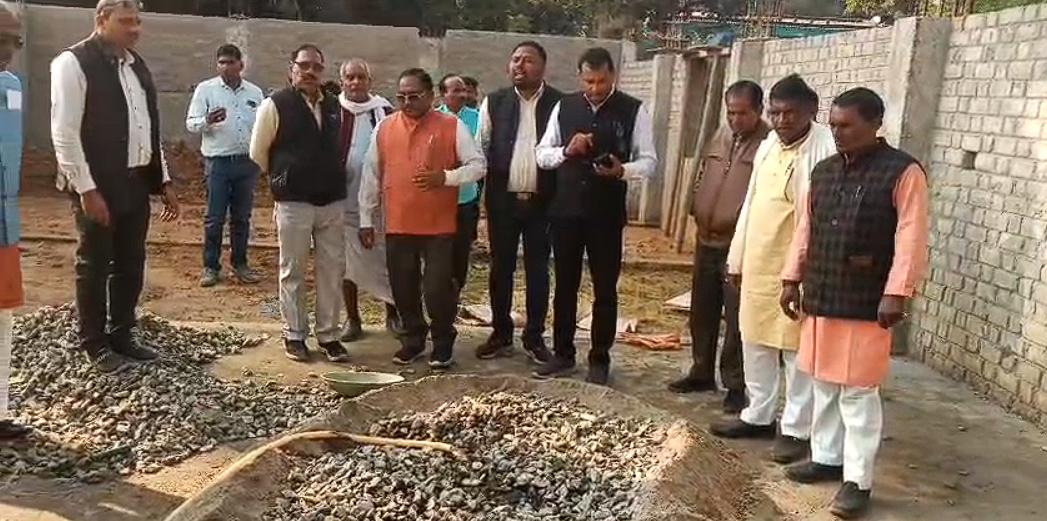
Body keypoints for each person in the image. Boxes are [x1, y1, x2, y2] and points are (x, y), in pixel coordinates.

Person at [779, 88, 928, 519]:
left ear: (875, 123)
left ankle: (857, 480)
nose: (838, 132)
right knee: (823, 383)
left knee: (859, 393)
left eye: (847, 125)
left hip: (867, 299)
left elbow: (911, 235)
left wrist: (897, 292)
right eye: (834, 125)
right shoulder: (824, 171)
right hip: (822, 292)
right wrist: (790, 279)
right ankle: (826, 457)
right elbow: (805, 230)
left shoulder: (902, 171)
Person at [710, 74, 836, 464]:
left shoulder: (825, 149)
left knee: (796, 351)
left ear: (812, 110)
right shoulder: (768, 145)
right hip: (759, 260)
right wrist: (737, 257)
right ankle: (758, 414)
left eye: (790, 113)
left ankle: (796, 429)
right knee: (754, 340)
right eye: (775, 113)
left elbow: (819, 217)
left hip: (797, 266)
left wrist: (802, 272)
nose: (781, 120)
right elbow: (750, 203)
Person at [51, 0, 181, 374]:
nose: (134, 29)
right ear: (101, 19)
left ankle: (123, 333)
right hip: (97, 183)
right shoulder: (73, 63)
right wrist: (86, 189)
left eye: (138, 21)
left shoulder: (136, 66)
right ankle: (94, 342)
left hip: (135, 183)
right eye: (126, 21)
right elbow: (64, 133)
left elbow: (147, 128)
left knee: (130, 262)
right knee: (93, 264)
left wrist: (163, 179)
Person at [534, 47, 657, 385]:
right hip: (566, 211)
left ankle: (599, 359)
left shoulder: (633, 109)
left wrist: (623, 171)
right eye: (589, 81)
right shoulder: (564, 106)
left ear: (613, 75)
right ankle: (562, 354)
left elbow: (649, 161)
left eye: (602, 81)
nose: (595, 88)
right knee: (565, 286)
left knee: (605, 289)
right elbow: (542, 154)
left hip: (606, 214)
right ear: (579, 76)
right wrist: (566, 151)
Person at [359, 68, 485, 369]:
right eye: (401, 97)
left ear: (430, 96)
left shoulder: (451, 126)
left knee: (437, 288)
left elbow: (478, 166)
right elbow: (371, 174)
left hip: (439, 225)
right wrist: (366, 218)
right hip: (398, 222)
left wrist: (446, 177)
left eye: (414, 96)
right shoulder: (385, 127)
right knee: (403, 286)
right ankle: (413, 339)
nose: (407, 102)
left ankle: (442, 342)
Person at [669, 80, 770, 414]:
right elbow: (703, 174)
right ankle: (701, 370)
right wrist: (696, 206)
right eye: (730, 113)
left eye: (742, 113)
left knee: (736, 317)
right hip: (706, 237)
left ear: (759, 110)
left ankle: (736, 385)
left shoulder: (768, 144)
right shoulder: (719, 136)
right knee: (702, 309)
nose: (735, 120)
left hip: (738, 244)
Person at [249, 43, 349, 363]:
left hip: (332, 201)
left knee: (331, 271)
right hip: (294, 202)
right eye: (303, 65)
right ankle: (294, 334)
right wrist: (284, 177)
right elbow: (258, 151)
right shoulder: (276, 104)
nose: (309, 72)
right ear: (291, 69)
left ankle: (329, 335)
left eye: (316, 67)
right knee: (292, 269)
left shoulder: (333, 105)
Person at [474, 40, 561, 364]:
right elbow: (481, 148)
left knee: (538, 270)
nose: (519, 66)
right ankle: (500, 333)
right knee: (501, 268)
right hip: (503, 202)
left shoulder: (560, 104)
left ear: (543, 66)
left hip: (543, 203)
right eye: (515, 60)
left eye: (527, 60)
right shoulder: (494, 102)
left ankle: (534, 338)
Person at [185, 43, 264, 288]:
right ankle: (210, 267)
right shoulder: (206, 90)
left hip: (246, 163)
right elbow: (191, 124)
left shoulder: (255, 93)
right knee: (215, 218)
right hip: (218, 164)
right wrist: (207, 120)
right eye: (221, 62)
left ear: (241, 64)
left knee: (241, 218)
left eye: (231, 62)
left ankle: (240, 264)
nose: (226, 67)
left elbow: (264, 125)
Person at [335, 58, 402, 342]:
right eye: (350, 77)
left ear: (369, 81)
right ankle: (353, 319)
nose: (355, 82)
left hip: (380, 202)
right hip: (343, 201)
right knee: (345, 263)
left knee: (387, 259)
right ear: (342, 81)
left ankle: (392, 313)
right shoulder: (333, 111)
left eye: (361, 77)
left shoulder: (384, 111)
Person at [0, 2, 27, 439]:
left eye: (14, 41)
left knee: (3, 318)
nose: (7, 50)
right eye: (0, 40)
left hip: (5, 223)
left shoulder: (12, 86)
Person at [436, 74, 482, 293]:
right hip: (439, 198)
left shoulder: (478, 118)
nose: (462, 94)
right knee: (438, 252)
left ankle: (455, 297)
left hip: (466, 198)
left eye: (463, 90)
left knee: (461, 252)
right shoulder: (432, 119)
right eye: (455, 90)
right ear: (442, 94)